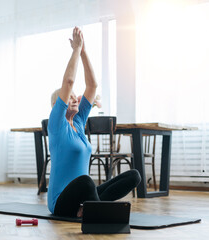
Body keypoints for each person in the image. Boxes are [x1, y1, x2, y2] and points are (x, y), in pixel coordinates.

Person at [47, 27, 141, 217]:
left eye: (75, 97)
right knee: (86, 181)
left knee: (134, 175)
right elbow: (69, 82)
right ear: (59, 104)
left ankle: (88, 209)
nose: (74, 99)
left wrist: (83, 52)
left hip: (83, 195)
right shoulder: (57, 124)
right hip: (60, 202)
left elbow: (92, 85)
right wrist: (75, 49)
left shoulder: (79, 122)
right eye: (70, 98)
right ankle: (97, 214)